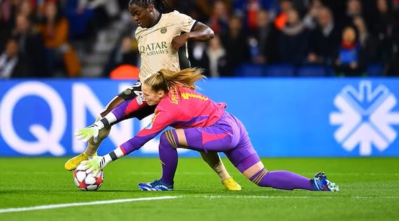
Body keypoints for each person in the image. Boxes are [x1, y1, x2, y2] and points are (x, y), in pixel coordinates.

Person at [64, 0, 241, 191]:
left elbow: (209, 32)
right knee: (105, 116)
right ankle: (88, 154)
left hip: (176, 91)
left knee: (198, 138)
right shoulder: (140, 32)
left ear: (150, 8)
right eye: (132, 15)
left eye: (137, 13)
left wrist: (187, 36)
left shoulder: (175, 19)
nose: (135, 19)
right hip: (146, 88)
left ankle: (225, 177)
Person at [78, 68, 340, 192]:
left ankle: (165, 184)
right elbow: (130, 106)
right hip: (233, 124)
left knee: (168, 138)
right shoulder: (171, 89)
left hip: (223, 131)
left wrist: (104, 159)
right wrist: (102, 123)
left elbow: (138, 140)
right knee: (261, 177)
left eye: (146, 94)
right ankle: (315, 184)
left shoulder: (167, 109)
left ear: (159, 93)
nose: (142, 99)